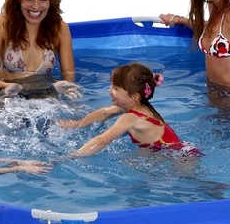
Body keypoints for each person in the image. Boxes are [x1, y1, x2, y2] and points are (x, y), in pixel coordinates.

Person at [59, 62, 202, 157]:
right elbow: (105, 113)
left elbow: (102, 140)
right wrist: (77, 124)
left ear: (134, 97)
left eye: (115, 88)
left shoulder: (130, 117)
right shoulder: (140, 107)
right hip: (184, 150)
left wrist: (74, 155)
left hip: (179, 157)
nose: (110, 91)